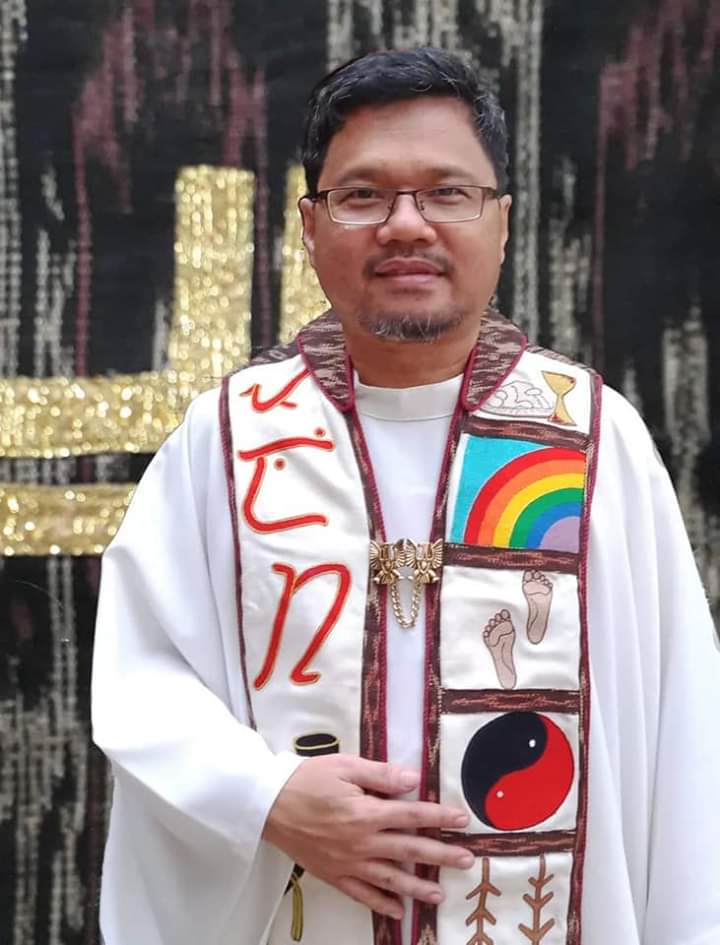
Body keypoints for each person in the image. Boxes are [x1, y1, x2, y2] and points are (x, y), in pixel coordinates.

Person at [91, 48, 720, 945]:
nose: (406, 225)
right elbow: (142, 672)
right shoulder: (229, 438)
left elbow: (685, 739)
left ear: (502, 222)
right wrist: (267, 797)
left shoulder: (592, 439)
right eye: (363, 195)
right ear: (310, 226)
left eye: (447, 193)